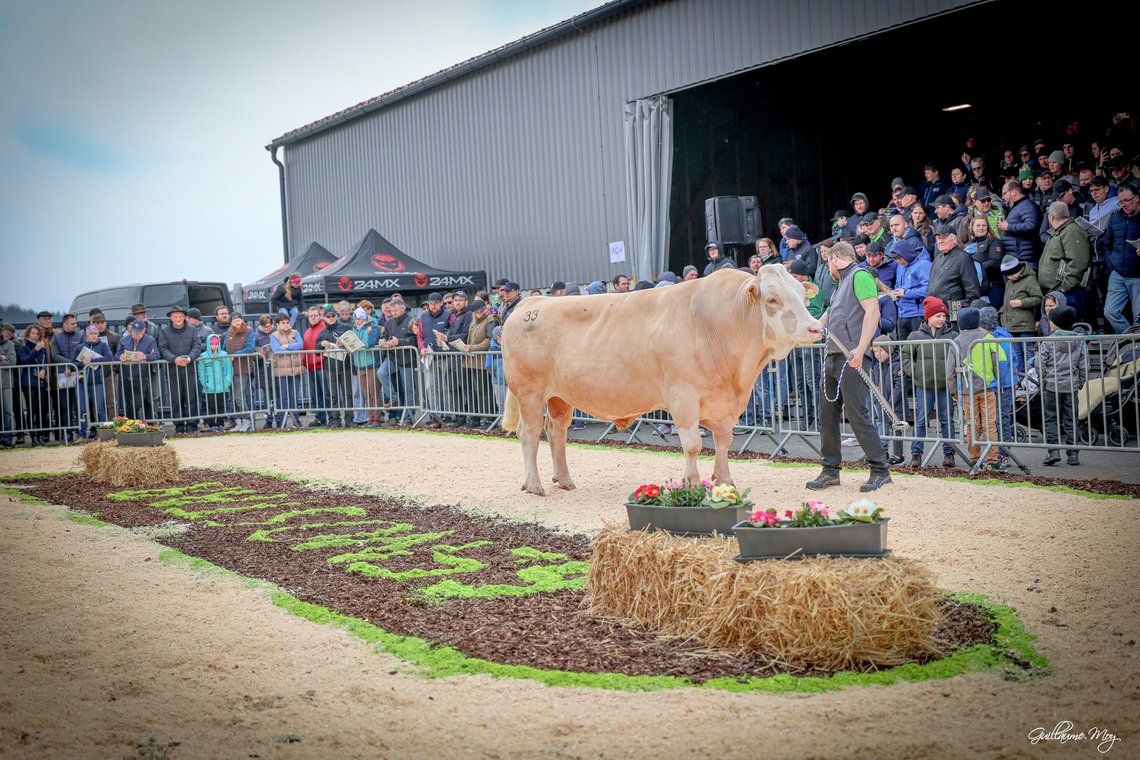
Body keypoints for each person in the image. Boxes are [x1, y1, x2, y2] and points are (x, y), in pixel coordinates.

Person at [807, 241, 892, 492]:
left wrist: (861, 348)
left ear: (834, 258)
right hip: (833, 355)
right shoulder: (841, 283)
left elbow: (873, 312)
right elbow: (831, 313)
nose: (828, 268)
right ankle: (830, 469)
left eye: (828, 263)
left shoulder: (860, 275)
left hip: (851, 355)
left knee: (857, 415)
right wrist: (816, 326)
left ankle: (880, 470)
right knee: (827, 415)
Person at [900, 297, 959, 468]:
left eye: (944, 316)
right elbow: (905, 356)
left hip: (945, 386)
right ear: (928, 317)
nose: (942, 319)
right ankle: (916, 454)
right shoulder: (915, 336)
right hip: (924, 385)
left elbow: (958, 357)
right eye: (938, 316)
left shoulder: (953, 335)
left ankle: (949, 453)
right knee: (920, 421)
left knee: (947, 420)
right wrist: (916, 371)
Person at [945, 307, 1003, 470]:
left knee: (972, 424)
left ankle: (974, 459)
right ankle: (992, 460)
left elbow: (950, 370)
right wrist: (998, 382)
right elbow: (997, 363)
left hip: (966, 390)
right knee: (990, 424)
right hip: (987, 388)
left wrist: (953, 390)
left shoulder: (956, 342)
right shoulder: (987, 338)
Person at [1036, 305, 1086, 466]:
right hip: (1071, 386)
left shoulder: (1048, 341)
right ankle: (1073, 454)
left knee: (1051, 418)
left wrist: (1043, 382)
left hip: (1052, 385)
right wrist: (1081, 382)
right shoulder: (1079, 341)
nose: (1049, 323)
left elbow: (1040, 364)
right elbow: (1084, 366)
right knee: (1071, 419)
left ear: (1057, 323)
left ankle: (1053, 451)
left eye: (1051, 321)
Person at [1038, 201, 1091, 317]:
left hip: (1069, 294)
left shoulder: (1072, 231)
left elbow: (1078, 262)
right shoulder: (1060, 231)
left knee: (1071, 325)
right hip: (1058, 293)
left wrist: (1064, 288)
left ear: (1050, 216)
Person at [1099, 181, 1140, 334]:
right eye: (1121, 201)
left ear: (1137, 198)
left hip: (1138, 276)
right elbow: (1107, 245)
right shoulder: (1115, 218)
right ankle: (1130, 339)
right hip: (1117, 274)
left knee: (1139, 317)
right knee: (1110, 312)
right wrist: (1112, 265)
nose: (1123, 204)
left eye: (1126, 200)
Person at [979, 306, 1016, 469]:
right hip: (999, 384)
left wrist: (994, 383)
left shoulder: (998, 339)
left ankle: (1003, 453)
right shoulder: (1002, 336)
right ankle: (997, 453)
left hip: (1001, 385)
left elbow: (1001, 365)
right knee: (997, 420)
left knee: (1001, 420)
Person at [158, 306, 203, 434]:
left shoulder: (192, 330)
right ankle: (178, 426)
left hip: (190, 369)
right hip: (173, 370)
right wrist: (174, 359)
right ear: (171, 318)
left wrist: (189, 358)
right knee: (175, 399)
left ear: (184, 317)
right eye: (175, 317)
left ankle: (192, 425)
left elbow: (197, 346)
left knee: (191, 398)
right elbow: (163, 349)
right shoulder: (164, 332)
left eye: (180, 316)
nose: (178, 319)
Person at [998, 255, 1042, 370]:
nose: (1010, 277)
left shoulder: (1030, 280)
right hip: (1011, 326)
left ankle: (1031, 375)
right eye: (1007, 275)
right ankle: (1021, 376)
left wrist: (1022, 303)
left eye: (1012, 274)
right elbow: (1006, 304)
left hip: (1025, 325)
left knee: (1029, 352)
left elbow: (1038, 299)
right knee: (1016, 354)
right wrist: (1001, 316)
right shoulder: (1009, 283)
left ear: (1018, 269)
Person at [927, 224, 981, 313]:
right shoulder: (937, 259)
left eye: (944, 238)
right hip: (936, 312)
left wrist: (957, 310)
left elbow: (972, 292)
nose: (940, 241)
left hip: (953, 313)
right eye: (938, 238)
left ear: (954, 239)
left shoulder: (963, 258)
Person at [381, 298, 418, 423]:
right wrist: (383, 341)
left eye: (395, 310)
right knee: (381, 372)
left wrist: (399, 342)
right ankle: (393, 398)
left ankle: (408, 417)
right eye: (391, 310)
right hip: (393, 357)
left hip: (407, 359)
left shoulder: (412, 320)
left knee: (408, 390)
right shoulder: (389, 323)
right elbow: (385, 336)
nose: (393, 313)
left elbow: (415, 339)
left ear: (403, 309)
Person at [115, 319, 159, 421]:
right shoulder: (124, 340)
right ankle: (133, 425)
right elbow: (116, 355)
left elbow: (156, 355)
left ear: (144, 330)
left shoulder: (150, 340)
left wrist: (145, 356)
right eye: (133, 332)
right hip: (127, 377)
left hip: (143, 377)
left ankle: (149, 424)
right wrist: (121, 358)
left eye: (138, 332)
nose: (135, 334)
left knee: (142, 402)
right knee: (131, 404)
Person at [51, 314, 84, 441]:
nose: (75, 325)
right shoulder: (56, 337)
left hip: (78, 374)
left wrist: (71, 366)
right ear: (64, 325)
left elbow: (82, 354)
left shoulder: (80, 336)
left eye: (76, 323)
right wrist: (71, 364)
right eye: (72, 323)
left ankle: (81, 433)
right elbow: (55, 356)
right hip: (63, 375)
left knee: (79, 406)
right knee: (65, 406)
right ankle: (68, 434)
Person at [76, 324, 112, 438]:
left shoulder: (103, 345)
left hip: (97, 382)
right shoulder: (80, 347)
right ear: (87, 335)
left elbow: (109, 358)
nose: (93, 336)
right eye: (91, 334)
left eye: (95, 333)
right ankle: (82, 435)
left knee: (99, 409)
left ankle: (104, 435)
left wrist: (92, 361)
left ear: (98, 334)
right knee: (82, 410)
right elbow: (73, 363)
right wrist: (82, 363)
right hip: (82, 382)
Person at [222, 312, 257, 432]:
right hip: (230, 369)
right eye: (234, 321)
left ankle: (247, 421)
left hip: (243, 369)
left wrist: (235, 355)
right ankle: (239, 422)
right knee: (232, 398)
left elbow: (250, 348)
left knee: (239, 397)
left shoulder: (249, 331)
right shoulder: (229, 333)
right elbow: (224, 348)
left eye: (239, 320)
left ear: (242, 320)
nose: (237, 323)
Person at [18, 325, 52, 446]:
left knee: (40, 410)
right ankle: (33, 436)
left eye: (37, 334)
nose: (35, 336)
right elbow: (24, 361)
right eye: (33, 333)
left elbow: (46, 362)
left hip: (40, 382)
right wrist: (35, 350)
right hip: (28, 382)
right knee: (31, 409)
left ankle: (40, 434)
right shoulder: (23, 348)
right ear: (28, 334)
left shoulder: (42, 348)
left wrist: (44, 369)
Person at [268, 314, 303, 430]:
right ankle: (281, 421)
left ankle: (296, 420)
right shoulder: (274, 335)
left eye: (287, 322)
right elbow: (276, 349)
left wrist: (287, 346)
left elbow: (300, 344)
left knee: (294, 396)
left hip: (295, 369)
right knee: (283, 396)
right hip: (281, 371)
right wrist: (292, 347)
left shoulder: (295, 332)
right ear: (277, 324)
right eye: (283, 323)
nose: (286, 325)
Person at [890, 239, 930, 339]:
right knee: (904, 347)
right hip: (902, 314)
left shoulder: (923, 265)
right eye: (896, 259)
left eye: (899, 258)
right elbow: (898, 286)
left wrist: (905, 293)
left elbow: (928, 289)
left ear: (906, 254)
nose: (898, 261)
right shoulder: (900, 267)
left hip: (918, 314)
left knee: (919, 345)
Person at [999, 180, 1043, 270]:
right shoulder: (1018, 207)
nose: (1003, 197)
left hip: (1025, 262)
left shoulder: (1027, 205)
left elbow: (1031, 225)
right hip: (1017, 260)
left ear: (1013, 192)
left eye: (1004, 194)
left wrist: (1008, 227)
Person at [299, 305, 331, 427]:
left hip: (323, 366)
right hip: (311, 367)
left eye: (315, 315)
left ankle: (331, 417)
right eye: (311, 316)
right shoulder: (307, 331)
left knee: (327, 394)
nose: (313, 318)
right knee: (315, 395)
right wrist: (303, 363)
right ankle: (320, 418)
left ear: (320, 316)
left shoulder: (324, 328)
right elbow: (305, 349)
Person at [963, 215, 1004, 306]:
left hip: (992, 288)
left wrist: (974, 268)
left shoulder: (994, 241)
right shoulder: (968, 245)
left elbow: (995, 262)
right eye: (978, 225)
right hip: (974, 289)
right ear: (972, 228)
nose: (981, 228)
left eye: (984, 225)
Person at [196, 334, 233, 433]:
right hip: (210, 388)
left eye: (216, 344)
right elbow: (201, 372)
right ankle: (212, 424)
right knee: (210, 407)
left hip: (223, 387)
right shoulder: (203, 356)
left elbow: (229, 369)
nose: (214, 346)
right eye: (212, 344)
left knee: (222, 406)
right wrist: (206, 384)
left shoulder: (224, 354)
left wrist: (227, 382)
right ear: (208, 344)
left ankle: (221, 424)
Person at [0, 327, 15, 448]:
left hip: (6, 382)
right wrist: (1, 357)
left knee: (8, 411)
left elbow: (12, 362)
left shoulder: (9, 344)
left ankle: (8, 438)